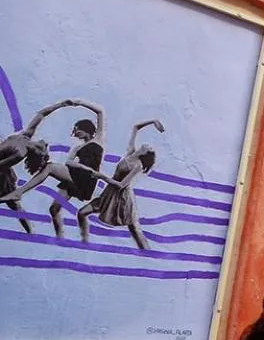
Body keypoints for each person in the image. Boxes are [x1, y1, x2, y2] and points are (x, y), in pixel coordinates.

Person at [0, 97, 82, 234]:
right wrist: (61, 104)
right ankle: (30, 232)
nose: (46, 144)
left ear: (38, 153)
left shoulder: (20, 153)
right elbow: (41, 114)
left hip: (2, 175)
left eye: (45, 148)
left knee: (14, 204)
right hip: (4, 173)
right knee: (14, 205)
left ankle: (30, 233)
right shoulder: (26, 136)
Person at [78, 119, 163, 250]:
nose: (148, 145)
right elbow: (135, 126)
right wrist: (154, 122)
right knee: (82, 213)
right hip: (109, 194)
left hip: (123, 199)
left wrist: (102, 177)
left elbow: (121, 185)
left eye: (150, 148)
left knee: (135, 229)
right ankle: (84, 242)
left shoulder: (138, 165)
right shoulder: (131, 153)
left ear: (146, 154)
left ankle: (149, 253)